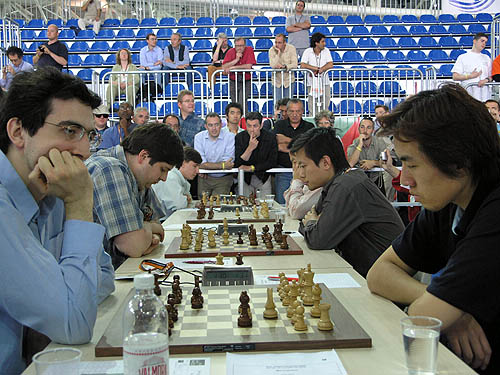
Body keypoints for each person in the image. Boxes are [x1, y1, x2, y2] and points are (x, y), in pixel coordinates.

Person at [366, 84, 500, 375]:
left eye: (411, 164)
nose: (405, 180)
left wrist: (437, 306)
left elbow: (420, 317)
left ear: (458, 161)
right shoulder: (449, 198)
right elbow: (378, 274)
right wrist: (453, 312)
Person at [0, 68, 114, 373]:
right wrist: (79, 203)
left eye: (89, 135)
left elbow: (103, 277)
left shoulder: (51, 191)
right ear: (18, 132)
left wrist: (57, 296)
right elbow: (74, 322)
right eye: (69, 130)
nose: (85, 151)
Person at [293, 127, 404, 277]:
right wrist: (311, 224)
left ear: (326, 162)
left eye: (303, 166)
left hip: (388, 280)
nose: (299, 174)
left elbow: (318, 239)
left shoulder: (347, 185)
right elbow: (309, 222)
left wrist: (311, 224)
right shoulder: (339, 181)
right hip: (369, 273)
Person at [86, 122, 184, 269]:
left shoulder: (140, 178)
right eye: (163, 169)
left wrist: (145, 230)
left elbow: (159, 229)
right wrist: (145, 231)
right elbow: (133, 246)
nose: (164, 178)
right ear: (143, 156)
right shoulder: (110, 169)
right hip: (93, 277)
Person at [273, 99, 314, 204]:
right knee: (282, 204)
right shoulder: (279, 125)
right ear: (287, 111)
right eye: (291, 111)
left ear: (302, 111)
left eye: (298, 111)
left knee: (302, 204)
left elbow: (308, 148)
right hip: (283, 171)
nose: (295, 114)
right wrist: (299, 144)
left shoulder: (309, 127)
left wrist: (287, 141)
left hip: (303, 172)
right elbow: (278, 145)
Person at [234, 111, 278, 196]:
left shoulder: (270, 137)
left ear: (261, 125)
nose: (252, 129)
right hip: (245, 178)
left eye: (255, 126)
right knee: (245, 205)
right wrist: (250, 148)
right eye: (249, 126)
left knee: (265, 205)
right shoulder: (240, 137)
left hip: (263, 176)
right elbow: (238, 163)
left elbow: (272, 161)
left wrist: (252, 168)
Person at [194, 113, 235, 197]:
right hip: (204, 177)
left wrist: (207, 166)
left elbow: (229, 162)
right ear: (205, 126)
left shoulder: (230, 136)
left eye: (216, 124)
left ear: (221, 125)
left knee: (218, 206)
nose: (214, 128)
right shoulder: (198, 137)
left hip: (224, 178)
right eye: (210, 125)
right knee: (202, 206)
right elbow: (200, 163)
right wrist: (223, 165)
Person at [347, 116, 392, 192]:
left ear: (373, 130)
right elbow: (350, 164)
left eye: (368, 127)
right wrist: (360, 144)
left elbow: (386, 162)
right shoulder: (354, 144)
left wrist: (373, 163)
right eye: (362, 127)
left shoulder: (380, 143)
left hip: (376, 181)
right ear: (358, 129)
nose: (365, 130)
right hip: (359, 182)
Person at [153, 146, 201, 217]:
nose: (197, 171)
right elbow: (179, 205)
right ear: (183, 163)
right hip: (163, 221)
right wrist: (186, 199)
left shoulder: (182, 180)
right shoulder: (171, 177)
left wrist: (186, 199)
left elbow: (189, 201)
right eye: (194, 166)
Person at [283, 139, 321, 220]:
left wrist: (297, 181)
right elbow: (288, 207)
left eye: (301, 164)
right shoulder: (304, 181)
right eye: (293, 162)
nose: (295, 167)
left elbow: (295, 212)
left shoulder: (317, 182)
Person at [452, 32, 492, 102]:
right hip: (469, 95)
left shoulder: (487, 58)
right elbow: (455, 76)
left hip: (485, 95)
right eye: (482, 41)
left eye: (485, 42)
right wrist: (470, 76)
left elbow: (491, 76)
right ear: (474, 41)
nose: (484, 44)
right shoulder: (463, 57)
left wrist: (486, 80)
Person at [300, 32, 333, 115]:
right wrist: (315, 69)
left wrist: (321, 69)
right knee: (312, 104)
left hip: (324, 82)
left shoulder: (326, 51)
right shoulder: (308, 51)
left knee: (325, 103)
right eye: (322, 42)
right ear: (316, 43)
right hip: (311, 83)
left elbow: (330, 64)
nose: (324, 44)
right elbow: (303, 65)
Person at [222, 37, 256, 110]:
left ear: (245, 45)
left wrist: (232, 68)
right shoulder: (231, 51)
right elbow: (224, 66)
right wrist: (236, 59)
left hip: (246, 80)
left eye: (241, 46)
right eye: (237, 46)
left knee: (242, 102)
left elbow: (248, 66)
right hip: (233, 80)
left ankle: (243, 120)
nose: (239, 48)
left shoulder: (249, 50)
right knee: (234, 103)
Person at [269, 33, 298, 101]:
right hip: (276, 81)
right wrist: (278, 53)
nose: (276, 45)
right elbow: (273, 65)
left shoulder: (291, 48)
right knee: (277, 104)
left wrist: (285, 67)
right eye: (276, 42)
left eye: (279, 43)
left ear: (284, 42)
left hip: (289, 80)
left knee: (289, 104)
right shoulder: (272, 50)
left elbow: (295, 64)